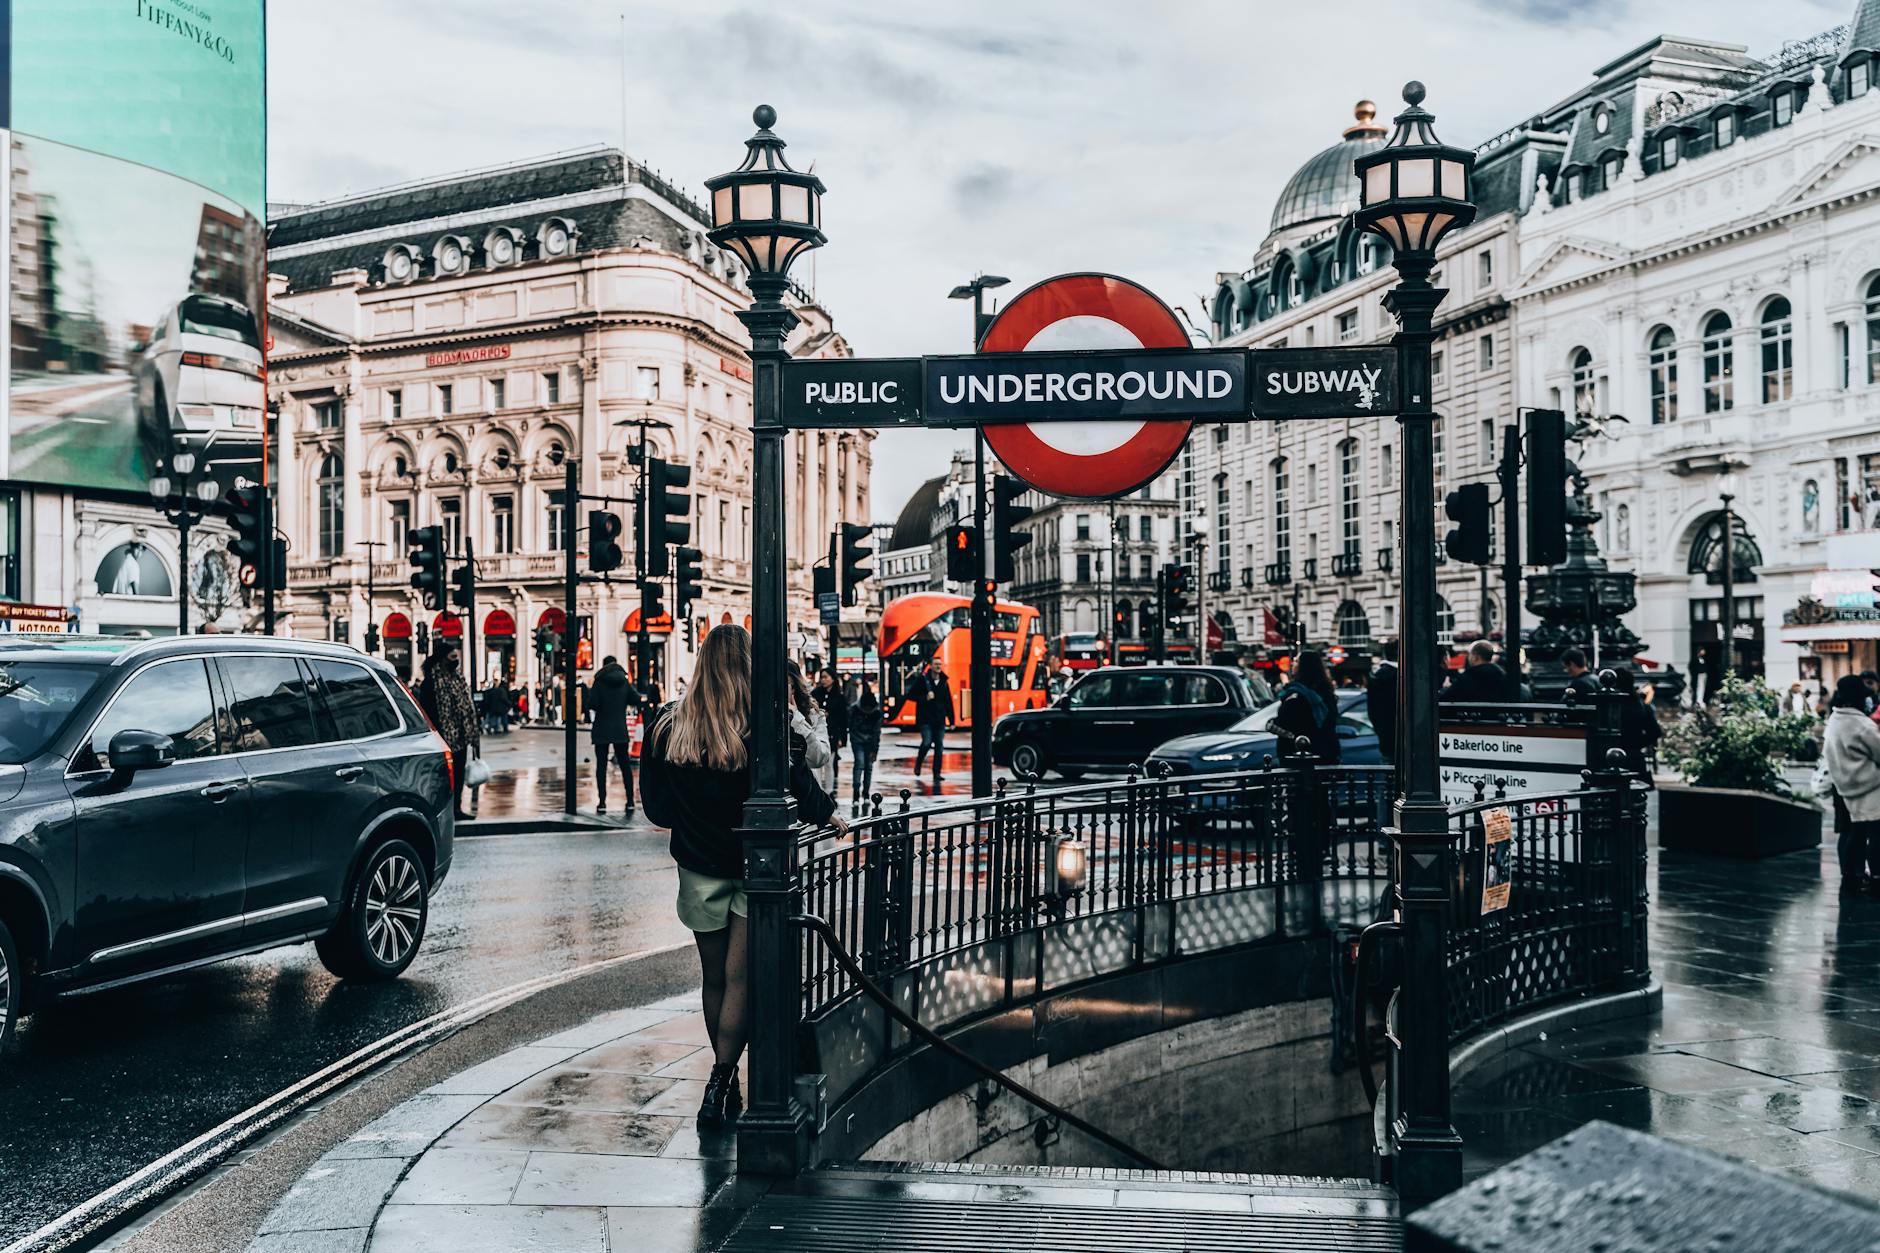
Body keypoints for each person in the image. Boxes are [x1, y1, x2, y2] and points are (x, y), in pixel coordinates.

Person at [639, 626, 839, 1129]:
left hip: (697, 867)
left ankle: (720, 1083)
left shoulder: (667, 724)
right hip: (755, 865)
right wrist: (828, 814)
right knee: (739, 980)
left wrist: (691, 816)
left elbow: (656, 807)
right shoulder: (763, 724)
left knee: (712, 980)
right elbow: (798, 780)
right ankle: (723, 1076)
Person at [1823, 674, 1880, 899]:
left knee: (1852, 834)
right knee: (1876, 834)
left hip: (1845, 787)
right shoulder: (1861, 724)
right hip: (1870, 786)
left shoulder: (1835, 720)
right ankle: (1876, 878)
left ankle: (1850, 877)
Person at [418, 646, 479, 820]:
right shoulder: (431, 682)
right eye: (452, 657)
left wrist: (471, 732)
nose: (456, 660)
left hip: (460, 736)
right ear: (443, 659)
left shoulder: (458, 678)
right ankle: (442, 811)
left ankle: (456, 809)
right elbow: (427, 711)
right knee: (442, 778)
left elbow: (467, 707)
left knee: (458, 775)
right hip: (442, 737)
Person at [588, 655, 643, 816]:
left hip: (602, 728)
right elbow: (636, 699)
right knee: (625, 766)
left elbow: (592, 704)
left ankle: (602, 802)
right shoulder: (623, 681)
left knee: (602, 766)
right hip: (620, 728)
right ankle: (630, 801)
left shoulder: (599, 681)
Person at [1274, 648, 1340, 762]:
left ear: (1304, 666)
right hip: (1325, 752)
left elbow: (1286, 723)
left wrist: (1273, 725)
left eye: (1296, 661)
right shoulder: (1325, 693)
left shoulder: (1298, 696)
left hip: (1298, 754)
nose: (1293, 664)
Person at [909, 659, 953, 784]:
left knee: (939, 747)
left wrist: (952, 720)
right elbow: (911, 695)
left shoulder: (944, 682)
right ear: (931, 666)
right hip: (925, 719)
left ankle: (936, 773)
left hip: (939, 719)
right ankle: (918, 763)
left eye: (940, 664)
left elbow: (948, 702)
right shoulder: (923, 680)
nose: (938, 666)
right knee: (927, 743)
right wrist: (924, 698)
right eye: (936, 664)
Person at [787, 659, 831, 774]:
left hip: (803, 788)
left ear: (794, 688)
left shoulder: (812, 714)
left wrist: (797, 721)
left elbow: (819, 759)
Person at [848, 676, 882, 811]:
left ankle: (865, 793)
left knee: (868, 766)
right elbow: (851, 727)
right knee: (860, 764)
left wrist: (875, 750)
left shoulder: (876, 713)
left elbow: (876, 733)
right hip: (857, 741)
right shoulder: (854, 710)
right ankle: (856, 794)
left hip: (869, 742)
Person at [1441, 640, 1509, 704]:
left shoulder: (1468, 676)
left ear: (1475, 657)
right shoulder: (1501, 674)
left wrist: (1446, 688)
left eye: (1470, 654)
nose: (1468, 657)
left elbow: (1446, 698)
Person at [1367, 640, 1398, 764]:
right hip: (1404, 740)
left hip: (1385, 739)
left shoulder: (1376, 676)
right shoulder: (1401, 675)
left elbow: (1371, 711)